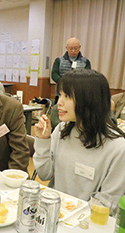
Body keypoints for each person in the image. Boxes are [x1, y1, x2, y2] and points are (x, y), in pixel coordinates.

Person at [34, 69, 125, 207]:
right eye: (60, 95)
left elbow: (107, 203)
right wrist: (43, 141)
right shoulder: (61, 130)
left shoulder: (117, 148)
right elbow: (44, 175)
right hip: (53, 211)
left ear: (89, 100)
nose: (59, 102)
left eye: (67, 96)